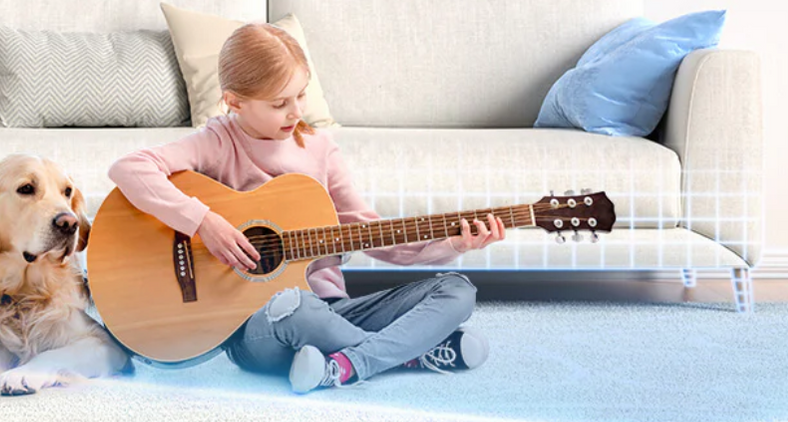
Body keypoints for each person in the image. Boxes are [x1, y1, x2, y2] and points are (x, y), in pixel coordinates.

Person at [108, 23, 505, 394]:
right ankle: (409, 353)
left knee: (457, 289)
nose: (296, 112)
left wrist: (453, 245)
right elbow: (129, 167)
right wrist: (203, 222)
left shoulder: (321, 151)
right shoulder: (216, 142)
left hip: (336, 313)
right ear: (235, 102)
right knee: (293, 305)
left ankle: (348, 364)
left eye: (301, 95)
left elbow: (379, 239)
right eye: (280, 103)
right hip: (263, 328)